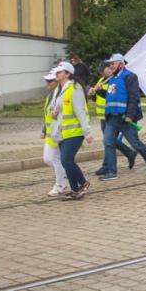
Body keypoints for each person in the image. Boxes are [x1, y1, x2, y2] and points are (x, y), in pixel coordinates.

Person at [100, 53, 146, 180]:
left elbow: (134, 97)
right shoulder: (112, 78)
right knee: (108, 142)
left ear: (121, 64)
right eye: (110, 64)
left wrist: (130, 115)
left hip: (124, 117)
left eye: (113, 63)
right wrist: (96, 92)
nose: (111, 66)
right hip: (111, 117)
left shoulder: (130, 76)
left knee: (134, 142)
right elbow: (111, 94)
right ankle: (112, 172)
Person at [49, 62, 94, 199]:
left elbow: (80, 111)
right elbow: (53, 107)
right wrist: (53, 112)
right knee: (66, 161)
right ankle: (75, 190)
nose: (56, 74)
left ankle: (83, 183)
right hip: (62, 133)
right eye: (56, 72)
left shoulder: (75, 88)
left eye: (59, 72)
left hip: (75, 132)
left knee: (66, 160)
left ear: (67, 74)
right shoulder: (59, 89)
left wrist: (87, 132)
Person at [90, 63, 137, 176]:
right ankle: (129, 153)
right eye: (103, 71)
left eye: (109, 68)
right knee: (109, 142)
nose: (106, 71)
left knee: (109, 142)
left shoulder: (115, 80)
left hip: (112, 115)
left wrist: (100, 91)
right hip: (103, 116)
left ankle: (108, 166)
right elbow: (95, 97)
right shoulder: (102, 80)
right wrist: (92, 92)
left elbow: (111, 95)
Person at [41, 68, 68, 197]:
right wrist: (44, 129)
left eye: (50, 81)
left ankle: (60, 185)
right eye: (47, 81)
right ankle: (66, 174)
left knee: (55, 159)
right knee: (47, 159)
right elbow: (47, 115)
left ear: (57, 81)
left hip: (59, 132)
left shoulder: (61, 95)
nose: (48, 83)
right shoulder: (50, 96)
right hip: (51, 133)